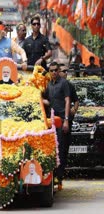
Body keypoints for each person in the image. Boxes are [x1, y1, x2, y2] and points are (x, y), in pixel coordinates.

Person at [43, 61, 71, 191]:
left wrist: (66, 120)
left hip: (61, 121)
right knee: (52, 151)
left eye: (55, 70)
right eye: (51, 70)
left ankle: (59, 179)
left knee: (61, 150)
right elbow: (49, 101)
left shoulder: (64, 83)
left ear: (59, 71)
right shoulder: (49, 85)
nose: (54, 72)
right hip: (51, 122)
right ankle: (54, 177)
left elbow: (67, 101)